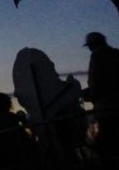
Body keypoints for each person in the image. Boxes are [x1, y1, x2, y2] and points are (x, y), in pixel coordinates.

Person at [12, 47, 86, 162]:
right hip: (60, 127)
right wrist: (73, 84)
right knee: (68, 156)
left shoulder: (26, 82)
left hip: (46, 136)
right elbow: (71, 93)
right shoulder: (60, 91)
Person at [84, 32, 119, 161]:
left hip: (107, 109)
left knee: (106, 146)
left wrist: (89, 94)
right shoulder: (115, 54)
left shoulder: (97, 57)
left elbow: (97, 82)